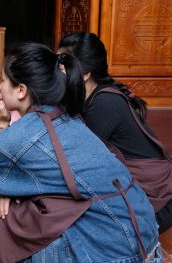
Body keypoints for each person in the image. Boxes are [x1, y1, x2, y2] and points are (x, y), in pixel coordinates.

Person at [0, 42, 161, 262]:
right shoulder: (65, 115)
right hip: (142, 235)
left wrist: (1, 124)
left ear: (21, 90)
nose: (0, 87)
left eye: (3, 80)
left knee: (10, 217)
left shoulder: (24, 135)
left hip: (117, 250)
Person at [58, 32, 172, 234]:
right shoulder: (87, 97)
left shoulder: (104, 104)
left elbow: (79, 164)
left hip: (155, 200)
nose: (57, 70)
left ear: (85, 73)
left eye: (63, 65)